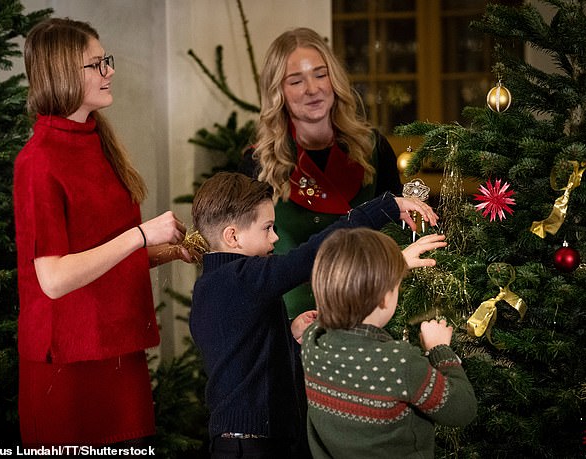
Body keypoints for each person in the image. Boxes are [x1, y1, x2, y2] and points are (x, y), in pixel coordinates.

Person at [13, 18, 195, 447]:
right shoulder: (37, 162)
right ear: (61, 73)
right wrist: (142, 235)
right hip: (68, 368)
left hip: (118, 353)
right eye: (96, 64)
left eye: (106, 61)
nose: (109, 71)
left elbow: (104, 255)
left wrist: (171, 250)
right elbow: (54, 280)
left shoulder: (100, 141)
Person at [189, 172, 446, 458]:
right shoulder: (240, 278)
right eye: (267, 228)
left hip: (250, 440)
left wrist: (288, 330)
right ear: (233, 236)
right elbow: (313, 254)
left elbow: (238, 349)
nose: (275, 237)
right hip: (254, 446)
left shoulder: (215, 284)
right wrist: (385, 210)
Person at [240, 27, 403, 319]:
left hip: (368, 314)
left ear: (334, 80)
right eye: (296, 80)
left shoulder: (373, 148)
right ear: (278, 91)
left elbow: (397, 230)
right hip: (289, 324)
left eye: (320, 74)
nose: (312, 89)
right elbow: (248, 260)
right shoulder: (257, 162)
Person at [302, 227, 477, 459]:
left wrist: (394, 266)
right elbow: (461, 409)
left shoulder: (312, 338)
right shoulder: (399, 364)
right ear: (385, 298)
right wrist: (440, 349)